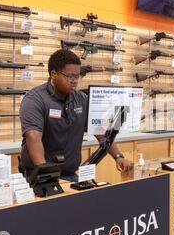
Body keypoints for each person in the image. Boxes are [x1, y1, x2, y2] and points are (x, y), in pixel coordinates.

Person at [19, 49, 133, 181]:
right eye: (69, 76)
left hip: (70, 174)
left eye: (77, 76)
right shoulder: (35, 99)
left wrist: (118, 157)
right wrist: (45, 175)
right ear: (53, 74)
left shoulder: (81, 99)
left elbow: (100, 131)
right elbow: (33, 137)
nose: (74, 81)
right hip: (39, 176)